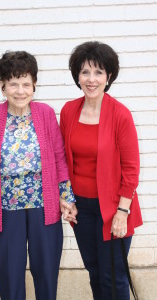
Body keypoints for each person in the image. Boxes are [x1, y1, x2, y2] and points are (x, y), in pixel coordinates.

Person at [0, 50, 77, 300]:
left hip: (45, 204)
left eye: (26, 84)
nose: (20, 91)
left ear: (34, 86)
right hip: (6, 206)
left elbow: (60, 158)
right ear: (3, 86)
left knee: (47, 269)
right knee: (10, 270)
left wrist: (66, 196)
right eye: (14, 83)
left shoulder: (46, 114)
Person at [60, 41, 143, 300]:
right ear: (77, 76)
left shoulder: (120, 114)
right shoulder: (69, 111)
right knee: (94, 271)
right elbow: (62, 159)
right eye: (85, 72)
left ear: (108, 76)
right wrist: (66, 198)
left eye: (98, 72)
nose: (91, 79)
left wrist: (122, 212)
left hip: (113, 208)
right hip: (81, 210)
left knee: (113, 275)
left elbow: (131, 169)